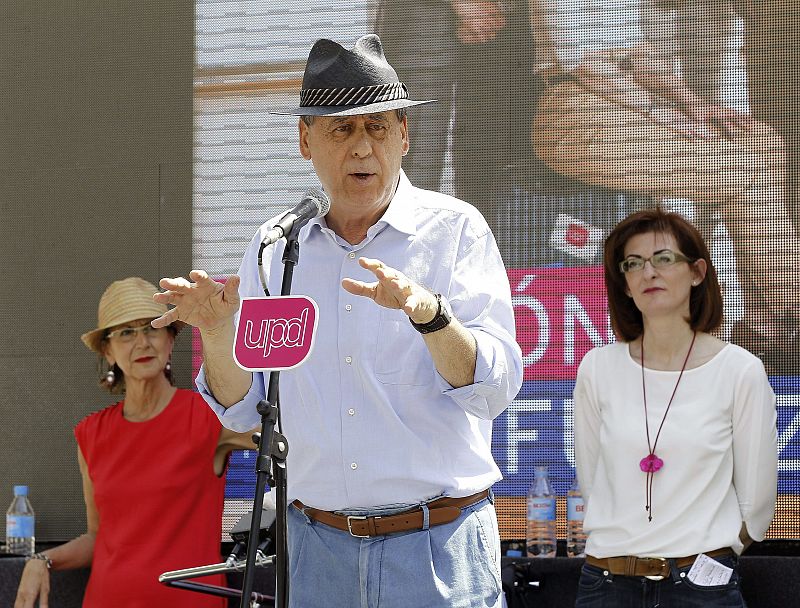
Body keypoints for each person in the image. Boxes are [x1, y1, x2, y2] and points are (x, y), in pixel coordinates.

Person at [153, 34, 523, 608]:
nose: (361, 148)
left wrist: (429, 315)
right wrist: (216, 332)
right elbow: (246, 406)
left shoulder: (455, 231)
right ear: (305, 140)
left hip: (437, 548)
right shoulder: (277, 246)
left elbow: (494, 388)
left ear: (405, 136)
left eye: (378, 127)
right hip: (315, 550)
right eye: (341, 128)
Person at [572, 208, 777, 606]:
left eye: (663, 258)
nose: (648, 272)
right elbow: (593, 482)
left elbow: (756, 507)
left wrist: (708, 557)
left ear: (698, 272)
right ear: (626, 286)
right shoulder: (598, 367)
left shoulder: (740, 370)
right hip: (607, 585)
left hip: (700, 586)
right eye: (633, 264)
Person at [14, 277, 256, 608]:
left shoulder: (210, 416)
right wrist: (41, 561)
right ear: (107, 350)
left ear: (170, 340)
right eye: (126, 332)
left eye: (152, 328)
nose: (142, 342)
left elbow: (282, 437)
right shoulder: (90, 433)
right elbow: (98, 539)